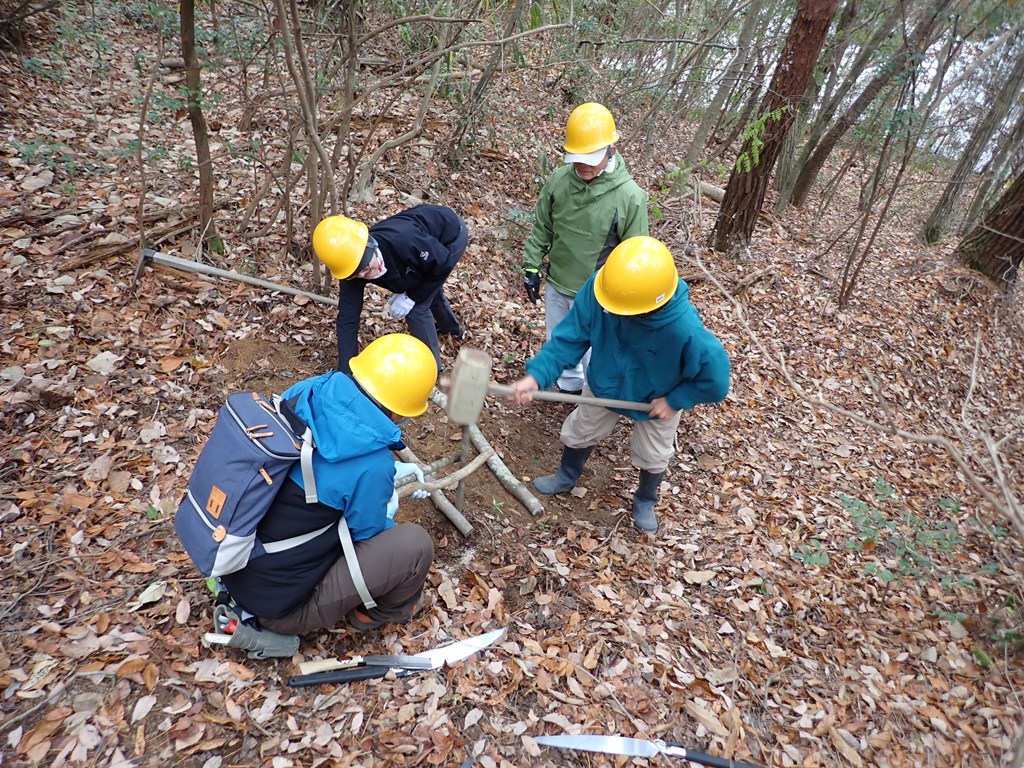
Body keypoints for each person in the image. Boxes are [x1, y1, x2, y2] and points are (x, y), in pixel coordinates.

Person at [217, 334, 438, 654]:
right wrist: (384, 496)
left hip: (229, 555)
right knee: (415, 546)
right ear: (403, 411)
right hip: (277, 606)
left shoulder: (308, 392)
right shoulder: (373, 465)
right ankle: (372, 614)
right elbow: (367, 536)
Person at [511, 236, 730, 534]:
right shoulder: (603, 290)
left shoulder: (684, 328)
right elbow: (569, 338)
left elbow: (716, 381)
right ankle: (567, 474)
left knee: (653, 452)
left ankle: (645, 499)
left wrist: (677, 399)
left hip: (657, 397)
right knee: (580, 429)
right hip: (605, 381)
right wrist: (538, 375)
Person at [521, 102, 649, 395]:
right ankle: (568, 389)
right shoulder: (559, 181)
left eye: (591, 158)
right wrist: (531, 266)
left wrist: (628, 302)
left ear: (611, 152)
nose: (583, 165)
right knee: (558, 339)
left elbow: (635, 257)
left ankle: (592, 400)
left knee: (596, 351)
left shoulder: (629, 197)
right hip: (558, 281)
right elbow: (543, 226)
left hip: (599, 294)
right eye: (578, 158)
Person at [314, 204, 468, 374]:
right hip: (422, 253)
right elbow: (347, 318)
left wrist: (412, 297)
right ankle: (450, 328)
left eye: (366, 268)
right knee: (428, 290)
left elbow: (442, 264)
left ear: (371, 246)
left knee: (417, 307)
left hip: (449, 235)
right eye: (358, 274)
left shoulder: (405, 240)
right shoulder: (349, 266)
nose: (366, 275)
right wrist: (346, 371)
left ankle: (430, 369)